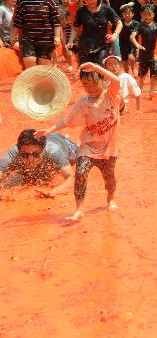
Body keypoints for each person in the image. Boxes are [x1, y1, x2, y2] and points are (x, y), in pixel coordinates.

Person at [35, 62, 122, 222]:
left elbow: (116, 80)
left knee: (109, 179)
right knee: (81, 173)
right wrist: (49, 130)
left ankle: (111, 199)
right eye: (86, 84)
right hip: (88, 147)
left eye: (95, 83)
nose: (91, 88)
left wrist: (96, 68)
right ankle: (79, 209)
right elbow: (67, 121)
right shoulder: (83, 103)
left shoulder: (111, 95)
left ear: (103, 81)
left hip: (109, 149)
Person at [0, 129, 77, 199]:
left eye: (36, 154)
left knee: (79, 157)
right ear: (19, 150)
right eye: (25, 155)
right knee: (27, 178)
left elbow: (73, 178)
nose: (30, 160)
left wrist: (54, 191)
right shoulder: (13, 154)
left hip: (64, 143)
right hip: (48, 139)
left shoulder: (54, 151)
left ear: (43, 150)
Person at [10, 0, 62, 68]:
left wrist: (57, 37)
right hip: (27, 38)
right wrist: (13, 36)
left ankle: (42, 83)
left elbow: (56, 21)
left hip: (46, 39)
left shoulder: (49, 1)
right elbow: (17, 21)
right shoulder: (22, 1)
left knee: (43, 68)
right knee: (30, 62)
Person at [71, 0, 122, 65]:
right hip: (84, 46)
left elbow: (119, 23)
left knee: (100, 71)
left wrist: (115, 35)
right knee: (85, 73)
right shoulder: (81, 11)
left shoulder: (106, 9)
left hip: (102, 46)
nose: (89, 2)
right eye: (86, 0)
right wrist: (70, 41)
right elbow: (75, 28)